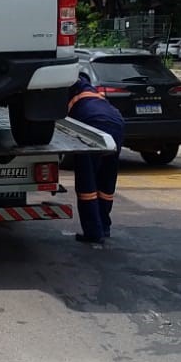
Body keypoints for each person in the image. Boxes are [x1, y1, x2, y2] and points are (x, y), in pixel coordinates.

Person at [67, 72, 125, 244]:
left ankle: (93, 232)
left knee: (87, 184)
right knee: (106, 181)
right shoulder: (92, 92)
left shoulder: (67, 90)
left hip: (92, 128)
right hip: (117, 125)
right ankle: (104, 226)